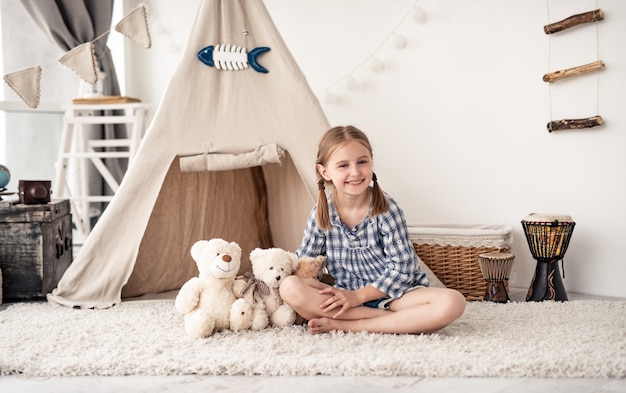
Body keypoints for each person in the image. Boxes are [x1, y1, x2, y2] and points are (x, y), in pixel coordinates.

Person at [279, 125, 466, 335]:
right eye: (343, 165)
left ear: (371, 161)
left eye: (362, 162)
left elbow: (403, 269)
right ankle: (397, 322)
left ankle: (350, 325)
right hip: (345, 296)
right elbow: (305, 262)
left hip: (395, 296)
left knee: (453, 302)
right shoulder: (321, 213)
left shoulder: (387, 209)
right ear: (325, 172)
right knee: (289, 286)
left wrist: (358, 297)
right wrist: (263, 278)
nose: (355, 172)